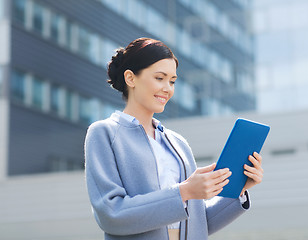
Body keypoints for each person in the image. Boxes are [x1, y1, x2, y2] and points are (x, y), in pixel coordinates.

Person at [84, 37, 264, 240]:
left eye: (172, 81)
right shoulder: (104, 133)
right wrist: (184, 191)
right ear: (130, 78)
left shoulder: (178, 143)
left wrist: (238, 190)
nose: (168, 89)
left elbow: (198, 224)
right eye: (159, 78)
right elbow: (111, 214)